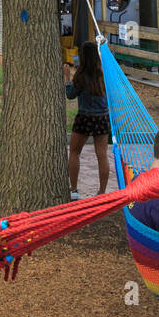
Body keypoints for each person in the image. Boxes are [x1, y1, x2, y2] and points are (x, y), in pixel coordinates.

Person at [64, 41, 110, 199]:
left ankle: (74, 190)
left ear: (82, 57)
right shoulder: (102, 75)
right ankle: (102, 192)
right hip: (102, 117)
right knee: (102, 155)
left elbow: (70, 94)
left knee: (74, 152)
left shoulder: (81, 76)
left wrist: (66, 77)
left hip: (85, 117)